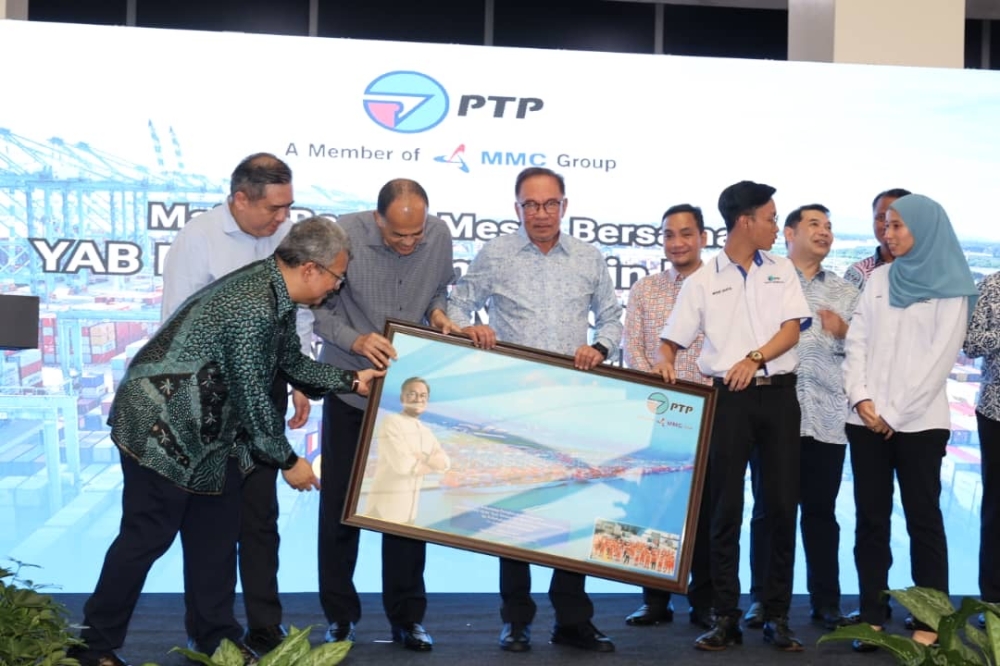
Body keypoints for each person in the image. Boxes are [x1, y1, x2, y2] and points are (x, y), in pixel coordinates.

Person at [67, 217, 382, 666]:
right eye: (337, 276)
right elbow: (255, 397)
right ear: (311, 269)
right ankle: (91, 647)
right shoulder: (254, 302)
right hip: (162, 426)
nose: (337, 287)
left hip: (210, 436)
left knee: (213, 536)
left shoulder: (276, 294)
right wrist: (288, 460)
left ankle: (215, 637)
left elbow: (290, 361)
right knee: (145, 537)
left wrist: (351, 379)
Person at [447, 166, 622, 653]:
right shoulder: (497, 254)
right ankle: (516, 619)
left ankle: (572, 619)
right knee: (514, 515)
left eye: (549, 204)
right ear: (517, 207)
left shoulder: (588, 257)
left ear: (565, 206)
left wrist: (602, 348)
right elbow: (458, 306)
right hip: (512, 407)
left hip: (574, 407)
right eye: (530, 204)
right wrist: (470, 331)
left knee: (574, 510)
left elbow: (610, 317)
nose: (540, 214)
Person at [160, 152, 312, 654]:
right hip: (210, 404)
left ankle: (266, 623)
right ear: (240, 198)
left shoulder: (283, 240)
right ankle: (212, 632)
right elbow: (176, 329)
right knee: (212, 526)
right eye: (275, 208)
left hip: (264, 391)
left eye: (289, 207)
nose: (283, 218)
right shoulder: (198, 240)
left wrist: (297, 378)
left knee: (260, 518)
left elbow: (297, 312)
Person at [655, 181, 811, 652]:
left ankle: (776, 614)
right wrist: (663, 359)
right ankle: (724, 615)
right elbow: (672, 339)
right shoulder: (703, 280)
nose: (774, 228)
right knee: (725, 510)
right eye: (769, 218)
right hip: (729, 402)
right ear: (745, 220)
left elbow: (791, 330)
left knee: (781, 507)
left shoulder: (781, 270)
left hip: (779, 396)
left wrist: (755, 357)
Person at [313, 178, 461, 652]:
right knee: (340, 510)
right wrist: (355, 340)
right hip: (351, 388)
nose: (409, 243)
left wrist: (439, 317)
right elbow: (319, 309)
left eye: (416, 234)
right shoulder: (344, 235)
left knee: (404, 510)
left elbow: (439, 291)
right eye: (399, 235)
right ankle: (339, 618)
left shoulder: (437, 235)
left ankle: (407, 619)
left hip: (404, 396)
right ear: (378, 219)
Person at [843, 194, 976, 652]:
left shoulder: (952, 286)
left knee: (923, 520)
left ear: (925, 228)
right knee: (871, 521)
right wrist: (861, 399)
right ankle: (872, 616)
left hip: (920, 424)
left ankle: (930, 617)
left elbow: (938, 361)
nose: (889, 234)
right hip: (865, 421)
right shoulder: (878, 278)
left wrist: (893, 416)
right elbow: (856, 342)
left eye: (898, 226)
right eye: (886, 226)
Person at [621, 203, 713, 631]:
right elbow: (632, 348)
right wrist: (658, 385)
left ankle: (706, 602)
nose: (677, 243)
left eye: (686, 234)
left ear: (703, 237)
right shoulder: (645, 289)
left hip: (711, 412)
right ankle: (654, 600)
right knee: (653, 508)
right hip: (658, 414)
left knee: (707, 511)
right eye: (669, 235)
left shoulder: (721, 287)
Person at [773, 205, 858, 630]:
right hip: (776, 416)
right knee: (771, 514)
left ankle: (826, 602)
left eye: (829, 226)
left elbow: (865, 351)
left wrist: (845, 332)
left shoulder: (845, 292)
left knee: (821, 513)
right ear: (789, 233)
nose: (825, 232)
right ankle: (768, 604)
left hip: (827, 418)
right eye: (815, 224)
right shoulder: (769, 282)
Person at [964, 271, 1000, 631]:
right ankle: (993, 602)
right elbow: (970, 342)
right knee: (996, 510)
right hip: (997, 410)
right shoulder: (991, 285)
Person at [365, 377, 450, 524]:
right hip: (384, 510)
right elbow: (403, 466)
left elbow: (446, 464)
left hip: (409, 513)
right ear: (402, 397)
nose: (418, 399)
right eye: (412, 394)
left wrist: (424, 458)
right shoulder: (391, 421)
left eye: (423, 396)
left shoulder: (427, 432)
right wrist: (431, 464)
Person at [843, 188, 911, 291]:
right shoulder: (858, 273)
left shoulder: (930, 271)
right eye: (881, 217)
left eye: (896, 217)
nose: (887, 224)